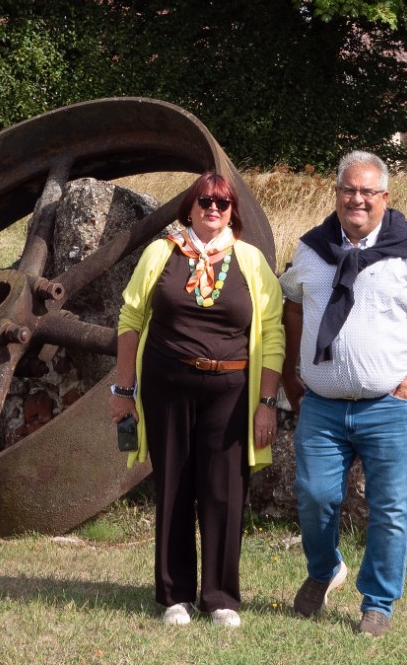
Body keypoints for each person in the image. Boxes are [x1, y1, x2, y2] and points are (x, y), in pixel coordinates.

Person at [280, 150, 407, 638]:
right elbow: (292, 306)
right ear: (336, 194)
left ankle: (378, 603)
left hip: (389, 407)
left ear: (385, 197)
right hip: (322, 406)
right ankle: (324, 570)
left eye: (367, 191)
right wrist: (291, 375)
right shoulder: (312, 249)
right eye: (349, 190)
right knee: (314, 496)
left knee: (389, 508)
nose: (357, 199)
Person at [110, 171, 286, 628]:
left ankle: (220, 598)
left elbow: (273, 335)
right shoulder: (160, 253)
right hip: (166, 388)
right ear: (189, 207)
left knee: (224, 492)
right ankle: (175, 596)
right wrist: (124, 391)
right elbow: (130, 319)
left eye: (222, 203)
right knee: (174, 485)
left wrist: (266, 402)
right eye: (204, 200)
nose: (213, 208)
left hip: (231, 392)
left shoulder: (251, 261)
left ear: (232, 212)